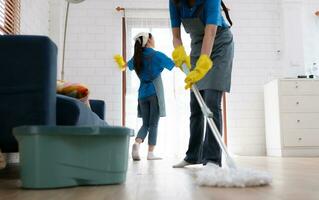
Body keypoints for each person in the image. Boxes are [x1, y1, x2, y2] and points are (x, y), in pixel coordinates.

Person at [169, 0, 234, 168]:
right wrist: (179, 53)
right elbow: (176, 36)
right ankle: (193, 156)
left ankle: (212, 159)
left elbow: (211, 31)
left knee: (211, 101)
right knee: (196, 104)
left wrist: (204, 62)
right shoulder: (175, 2)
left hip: (220, 44)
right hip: (198, 45)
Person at [114, 32, 175, 161]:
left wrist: (120, 61)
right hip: (154, 93)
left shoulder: (136, 58)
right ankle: (150, 153)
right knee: (153, 124)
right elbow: (172, 64)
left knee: (145, 123)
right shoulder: (156, 55)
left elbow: (125, 67)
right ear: (148, 41)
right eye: (153, 38)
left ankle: (137, 143)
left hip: (142, 94)